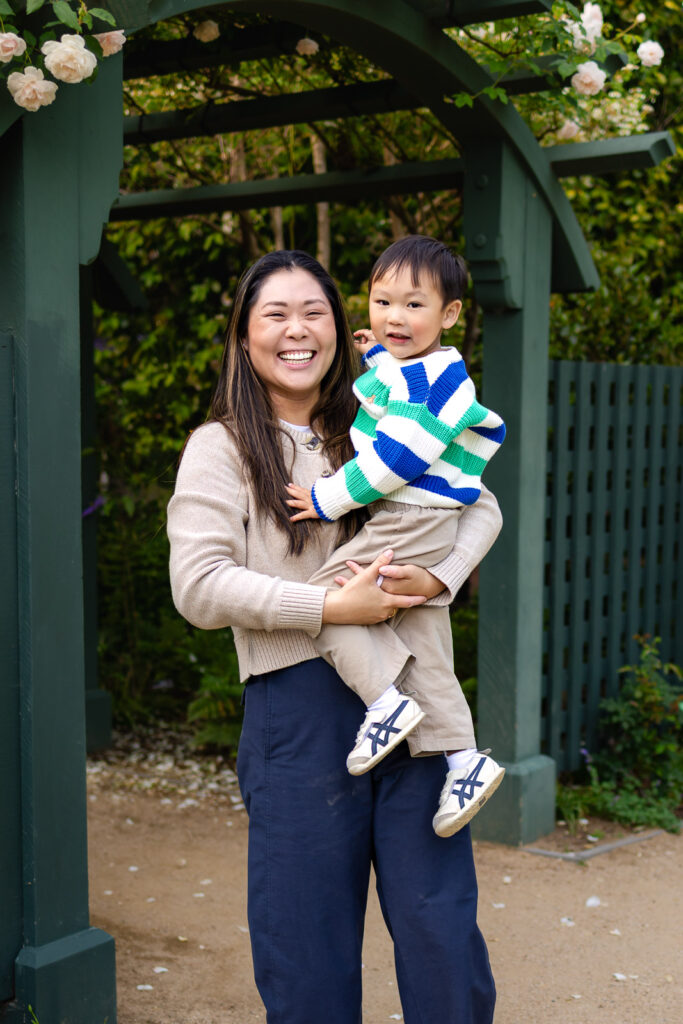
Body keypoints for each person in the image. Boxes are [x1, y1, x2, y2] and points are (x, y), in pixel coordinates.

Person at [167, 249, 499, 1023]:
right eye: (274, 314)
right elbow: (199, 586)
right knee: (306, 948)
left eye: (313, 312)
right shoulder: (220, 449)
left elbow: (478, 503)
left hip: (412, 699)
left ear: (339, 325)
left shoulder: (383, 421)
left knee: (439, 930)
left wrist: (440, 577)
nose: (296, 330)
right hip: (299, 716)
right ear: (244, 334)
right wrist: (325, 610)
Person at [285, 235, 505, 837]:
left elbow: (398, 456)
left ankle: (385, 702)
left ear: (450, 314)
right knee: (426, 644)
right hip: (426, 520)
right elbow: (400, 389)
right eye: (382, 303)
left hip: (410, 516)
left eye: (414, 306)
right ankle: (464, 760)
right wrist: (377, 356)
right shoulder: (419, 370)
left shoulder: (434, 382)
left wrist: (330, 497)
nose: (394, 318)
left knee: (324, 602)